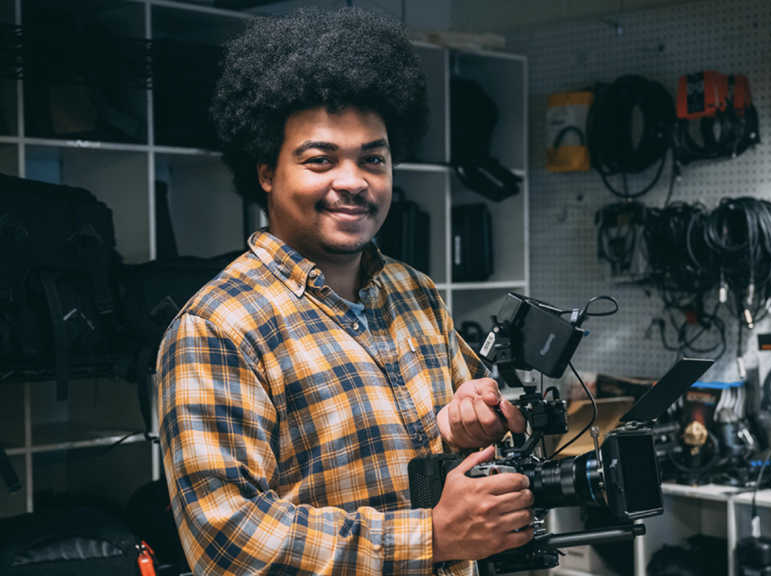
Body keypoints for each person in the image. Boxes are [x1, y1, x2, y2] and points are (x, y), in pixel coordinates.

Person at [157, 7, 533, 576]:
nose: (353, 181)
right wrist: (430, 536)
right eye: (320, 160)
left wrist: (471, 420)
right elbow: (227, 539)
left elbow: (476, 439)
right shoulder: (216, 328)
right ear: (265, 171)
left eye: (373, 159)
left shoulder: (415, 292)